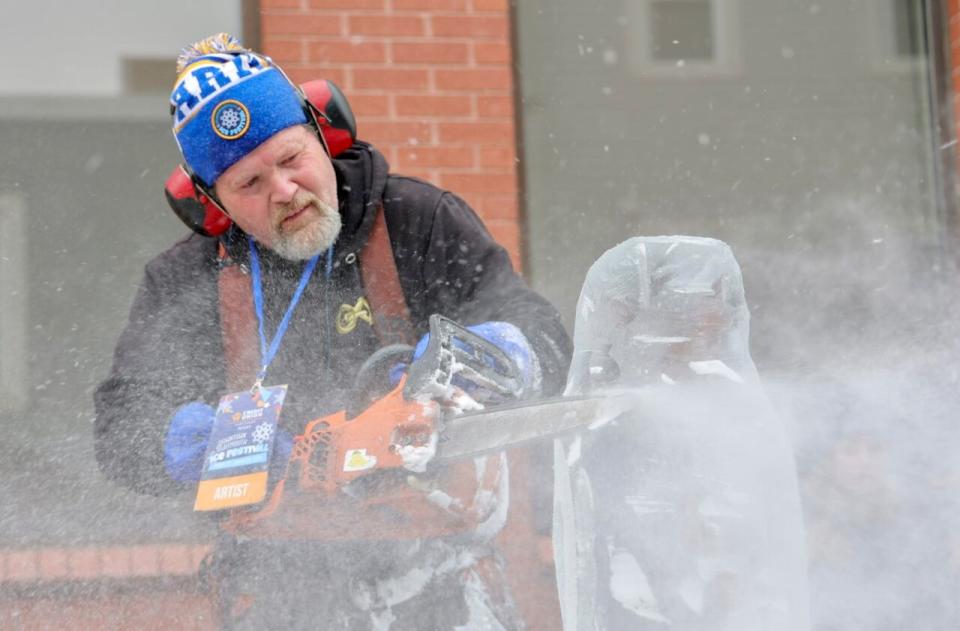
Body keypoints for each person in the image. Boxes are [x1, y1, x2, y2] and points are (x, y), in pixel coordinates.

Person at [94, 33, 571, 630]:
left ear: (323, 132)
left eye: (291, 159)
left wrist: (473, 359)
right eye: (250, 184)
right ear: (210, 202)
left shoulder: (418, 223)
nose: (285, 191)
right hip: (274, 594)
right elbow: (119, 430)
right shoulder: (183, 283)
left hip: (444, 585)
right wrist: (213, 442)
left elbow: (543, 334)